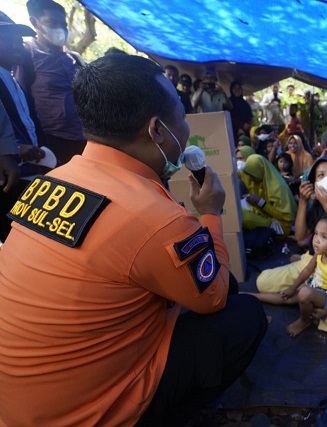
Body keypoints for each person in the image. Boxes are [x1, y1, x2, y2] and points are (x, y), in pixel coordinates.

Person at [0, 54, 267, 425]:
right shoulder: (155, 219)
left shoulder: (54, 180)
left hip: (18, 404)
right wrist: (210, 213)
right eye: (180, 113)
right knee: (244, 313)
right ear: (158, 131)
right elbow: (215, 295)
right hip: (87, 415)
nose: (185, 128)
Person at [255, 157, 327, 339]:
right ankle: (309, 298)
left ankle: (309, 302)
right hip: (314, 264)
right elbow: (301, 236)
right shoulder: (316, 204)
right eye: (321, 175)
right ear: (314, 184)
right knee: (262, 282)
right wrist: (303, 201)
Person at [250, 213, 327, 337]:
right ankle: (252, 296)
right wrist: (292, 288)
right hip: (315, 286)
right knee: (286, 298)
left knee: (304, 293)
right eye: (316, 233)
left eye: (324, 237)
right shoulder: (320, 252)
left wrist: (326, 312)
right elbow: (307, 270)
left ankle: (304, 321)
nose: (316, 240)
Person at [0, 12, 49, 242]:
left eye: (20, 39)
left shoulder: (12, 80)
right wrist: (12, 149)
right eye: (10, 37)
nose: (19, 44)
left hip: (27, 175)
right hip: (7, 179)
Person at [18, 0, 86, 165]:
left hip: (84, 137)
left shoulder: (73, 58)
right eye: (51, 23)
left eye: (62, 24)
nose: (59, 29)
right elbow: (20, 100)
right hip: (52, 141)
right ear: (35, 23)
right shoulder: (27, 55)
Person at [238, 153, 297, 237]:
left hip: (281, 226)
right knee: (239, 213)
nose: (250, 179)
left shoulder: (277, 188)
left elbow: (286, 217)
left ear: (259, 170)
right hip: (266, 216)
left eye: (252, 175)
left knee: (244, 219)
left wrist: (260, 202)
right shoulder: (261, 180)